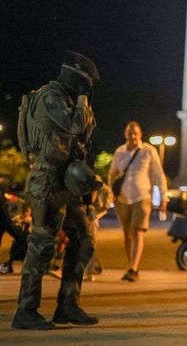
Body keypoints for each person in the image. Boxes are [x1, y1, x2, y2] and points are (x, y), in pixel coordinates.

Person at [13, 51, 102, 330]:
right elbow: (73, 126)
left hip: (66, 181)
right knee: (42, 245)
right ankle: (25, 310)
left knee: (84, 238)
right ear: (76, 77)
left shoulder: (68, 99)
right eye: (86, 83)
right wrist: (84, 102)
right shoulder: (49, 98)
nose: (87, 89)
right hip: (48, 180)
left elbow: (86, 133)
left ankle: (67, 305)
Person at [109, 121, 168, 282]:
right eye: (130, 133)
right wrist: (110, 193)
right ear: (125, 134)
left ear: (140, 134)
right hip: (122, 198)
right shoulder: (119, 152)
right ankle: (132, 265)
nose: (133, 136)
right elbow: (113, 173)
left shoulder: (148, 151)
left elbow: (158, 174)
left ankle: (133, 268)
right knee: (127, 235)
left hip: (142, 197)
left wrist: (163, 196)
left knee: (137, 231)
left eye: (135, 133)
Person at [84, 177, 113, 281]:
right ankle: (86, 270)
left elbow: (107, 191)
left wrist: (103, 207)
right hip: (85, 213)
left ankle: (89, 271)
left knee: (89, 242)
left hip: (89, 214)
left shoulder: (93, 177)